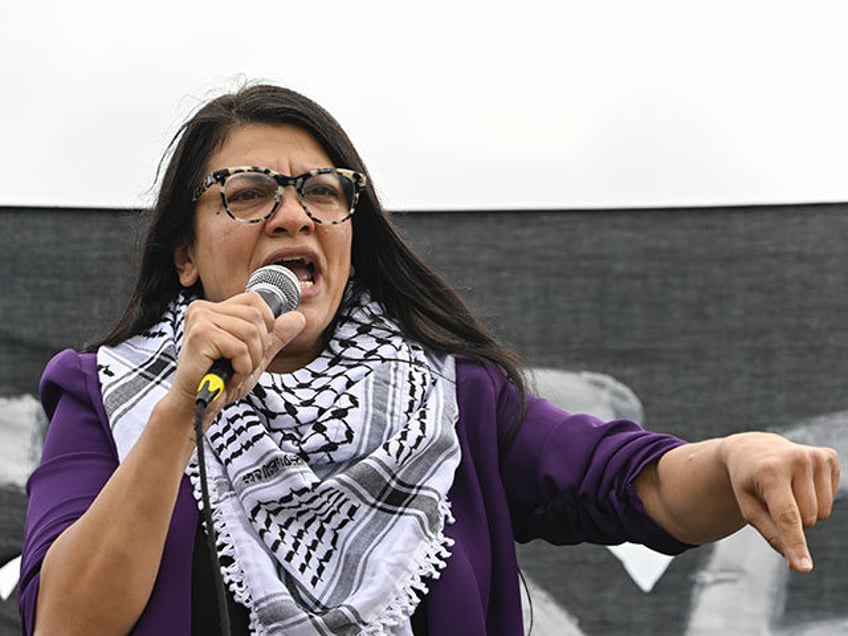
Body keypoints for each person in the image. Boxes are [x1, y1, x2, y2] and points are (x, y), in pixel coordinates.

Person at [19, 83, 840, 636]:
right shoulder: (106, 396)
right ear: (185, 257)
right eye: (247, 192)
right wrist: (177, 417)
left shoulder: (451, 400)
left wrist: (738, 458)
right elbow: (66, 621)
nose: (293, 215)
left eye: (324, 192)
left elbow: (630, 482)